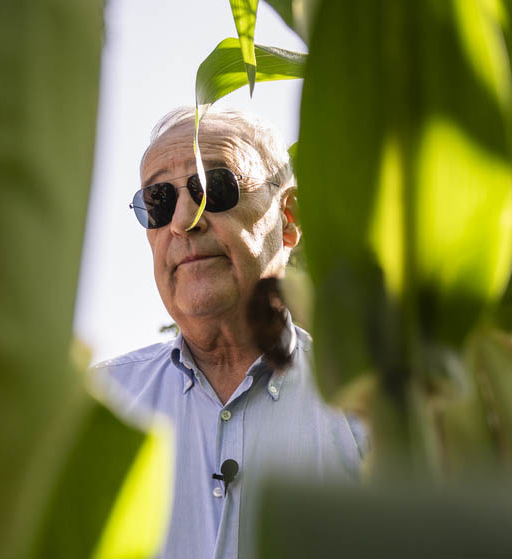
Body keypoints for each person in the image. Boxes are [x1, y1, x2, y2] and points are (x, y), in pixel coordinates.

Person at [93, 107, 367, 559]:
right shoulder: (102, 406)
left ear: (289, 217)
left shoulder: (365, 409)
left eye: (213, 188)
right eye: (158, 202)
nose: (183, 220)